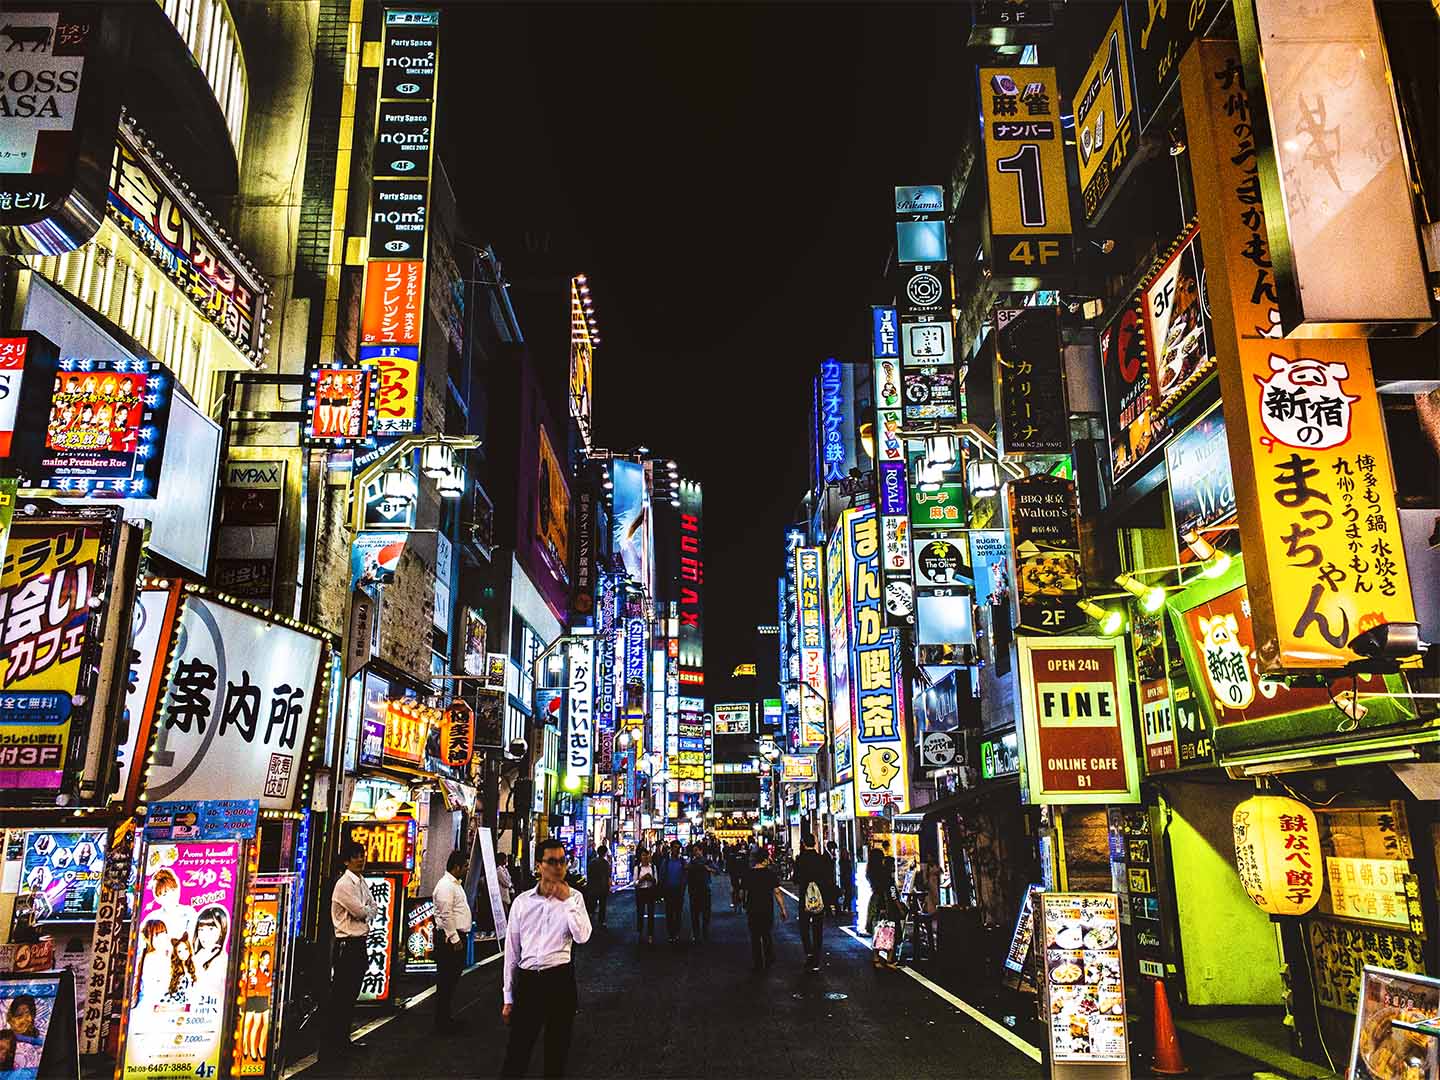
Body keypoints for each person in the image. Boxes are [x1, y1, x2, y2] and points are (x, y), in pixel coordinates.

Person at [501, 837, 592, 1078]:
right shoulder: (522, 903)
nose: (559, 867)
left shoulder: (575, 898)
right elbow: (512, 951)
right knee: (517, 1052)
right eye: (552, 862)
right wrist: (508, 996)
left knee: (557, 1053)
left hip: (559, 980)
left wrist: (568, 902)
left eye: (563, 861)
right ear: (538, 865)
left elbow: (582, 936)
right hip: (529, 982)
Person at [324, 840, 375, 1066]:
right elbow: (361, 911)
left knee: (350, 997)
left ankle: (343, 1041)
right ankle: (331, 1048)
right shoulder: (344, 884)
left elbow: (372, 908)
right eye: (355, 855)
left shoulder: (362, 881)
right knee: (341, 999)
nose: (360, 859)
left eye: (362, 854)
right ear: (346, 860)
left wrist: (365, 911)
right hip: (346, 946)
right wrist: (365, 911)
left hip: (359, 945)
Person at [433, 849, 472, 1033]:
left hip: (455, 936)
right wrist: (455, 938)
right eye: (465, 866)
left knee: (451, 980)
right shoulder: (445, 886)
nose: (467, 869)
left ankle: (445, 1018)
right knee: (446, 980)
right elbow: (445, 914)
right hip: (449, 939)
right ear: (456, 867)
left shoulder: (454, 884)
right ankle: (442, 1021)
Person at [794, 835, 833, 973]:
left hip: (805, 896)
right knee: (818, 927)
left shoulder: (800, 859)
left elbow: (796, 879)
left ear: (803, 843)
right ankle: (816, 957)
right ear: (815, 843)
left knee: (804, 926)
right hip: (819, 897)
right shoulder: (822, 859)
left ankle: (808, 952)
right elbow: (829, 878)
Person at [744, 850, 785, 970]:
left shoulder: (749, 873)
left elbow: (743, 892)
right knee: (766, 934)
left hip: (752, 908)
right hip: (767, 908)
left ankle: (758, 963)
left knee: (755, 936)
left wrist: (744, 903)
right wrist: (782, 909)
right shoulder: (770, 874)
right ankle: (768, 958)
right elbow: (777, 892)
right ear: (765, 859)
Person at [658, 841, 687, 944]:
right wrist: (662, 890)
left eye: (678, 848)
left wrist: (683, 886)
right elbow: (661, 876)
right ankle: (671, 934)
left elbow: (685, 876)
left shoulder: (682, 861)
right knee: (669, 913)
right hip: (669, 890)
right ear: (671, 848)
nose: (677, 850)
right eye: (675, 847)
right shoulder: (666, 862)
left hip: (679, 890)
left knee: (678, 913)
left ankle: (677, 933)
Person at [685, 844, 714, 943]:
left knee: (705, 914)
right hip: (694, 891)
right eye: (694, 851)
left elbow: (716, 870)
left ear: (701, 851)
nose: (696, 852)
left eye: (697, 850)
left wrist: (709, 869)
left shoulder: (706, 861)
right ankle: (696, 934)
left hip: (704, 890)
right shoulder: (691, 863)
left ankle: (704, 932)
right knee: (695, 914)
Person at [863, 844, 892, 934]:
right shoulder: (882, 873)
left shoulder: (870, 871)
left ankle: (878, 942)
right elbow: (888, 888)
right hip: (883, 900)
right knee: (886, 926)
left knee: (876, 925)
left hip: (874, 899)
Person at [634, 852, 658, 944]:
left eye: (647, 855)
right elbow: (635, 882)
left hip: (650, 891)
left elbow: (656, 881)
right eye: (643, 855)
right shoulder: (637, 868)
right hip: (641, 892)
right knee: (640, 913)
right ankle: (640, 933)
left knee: (651, 913)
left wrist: (650, 878)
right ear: (640, 857)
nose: (645, 857)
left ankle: (650, 935)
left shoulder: (653, 867)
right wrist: (642, 879)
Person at [586, 845, 612, 927]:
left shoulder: (592, 862)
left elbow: (589, 874)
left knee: (592, 905)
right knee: (602, 905)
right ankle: (601, 921)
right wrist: (609, 887)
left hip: (593, 886)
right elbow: (608, 876)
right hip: (602, 887)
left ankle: (590, 921)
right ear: (605, 853)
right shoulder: (606, 864)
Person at [838, 843, 856, 917]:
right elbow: (844, 871)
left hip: (848, 879)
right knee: (848, 894)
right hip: (846, 879)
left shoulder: (845, 861)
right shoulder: (843, 862)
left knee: (849, 894)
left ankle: (847, 908)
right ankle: (847, 908)